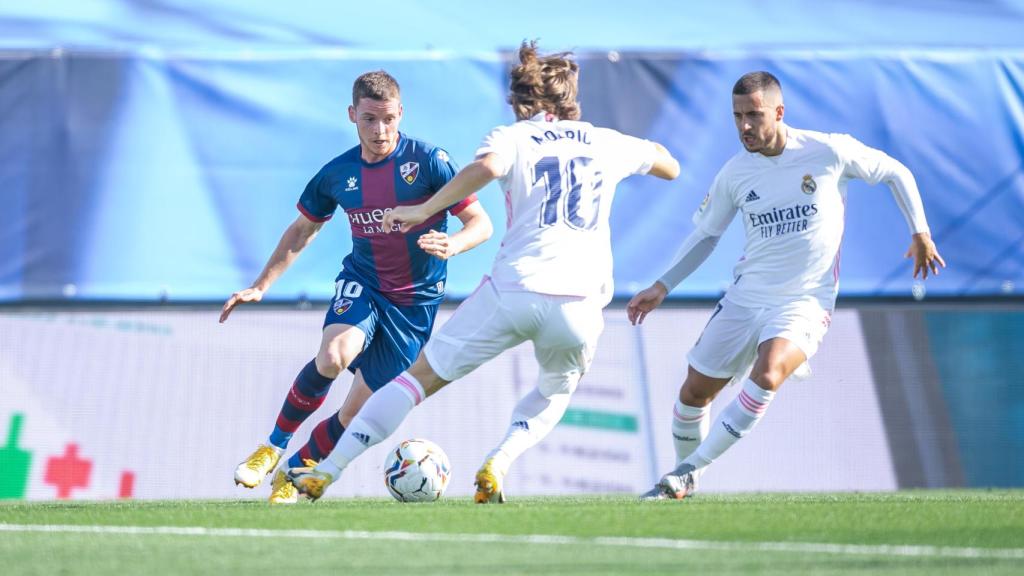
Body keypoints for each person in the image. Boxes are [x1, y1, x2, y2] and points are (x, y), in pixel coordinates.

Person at [286, 40, 680, 502]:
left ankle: (328, 470)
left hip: (515, 288)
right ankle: (500, 460)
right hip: (581, 303)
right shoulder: (605, 141)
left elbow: (489, 166)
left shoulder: (512, 137)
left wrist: (425, 210)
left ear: (518, 102)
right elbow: (669, 166)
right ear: (571, 99)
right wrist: (636, 149)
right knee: (552, 395)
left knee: (417, 380)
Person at [628, 71, 946, 500]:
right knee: (694, 393)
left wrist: (920, 232)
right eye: (737, 116)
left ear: (779, 112)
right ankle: (689, 480)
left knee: (770, 370)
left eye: (754, 115)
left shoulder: (828, 151)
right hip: (746, 296)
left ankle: (686, 472)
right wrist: (662, 285)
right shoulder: (735, 173)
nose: (744, 126)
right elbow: (706, 236)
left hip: (805, 300)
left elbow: (896, 172)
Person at [221, 70, 492, 504]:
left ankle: (292, 477)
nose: (380, 130)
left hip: (414, 305)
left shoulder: (429, 161)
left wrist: (453, 243)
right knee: (332, 355)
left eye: (388, 119)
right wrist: (260, 285)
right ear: (352, 115)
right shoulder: (337, 173)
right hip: (364, 283)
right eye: (369, 119)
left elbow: (480, 223)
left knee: (355, 411)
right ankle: (272, 448)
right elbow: (301, 232)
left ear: (400, 113)